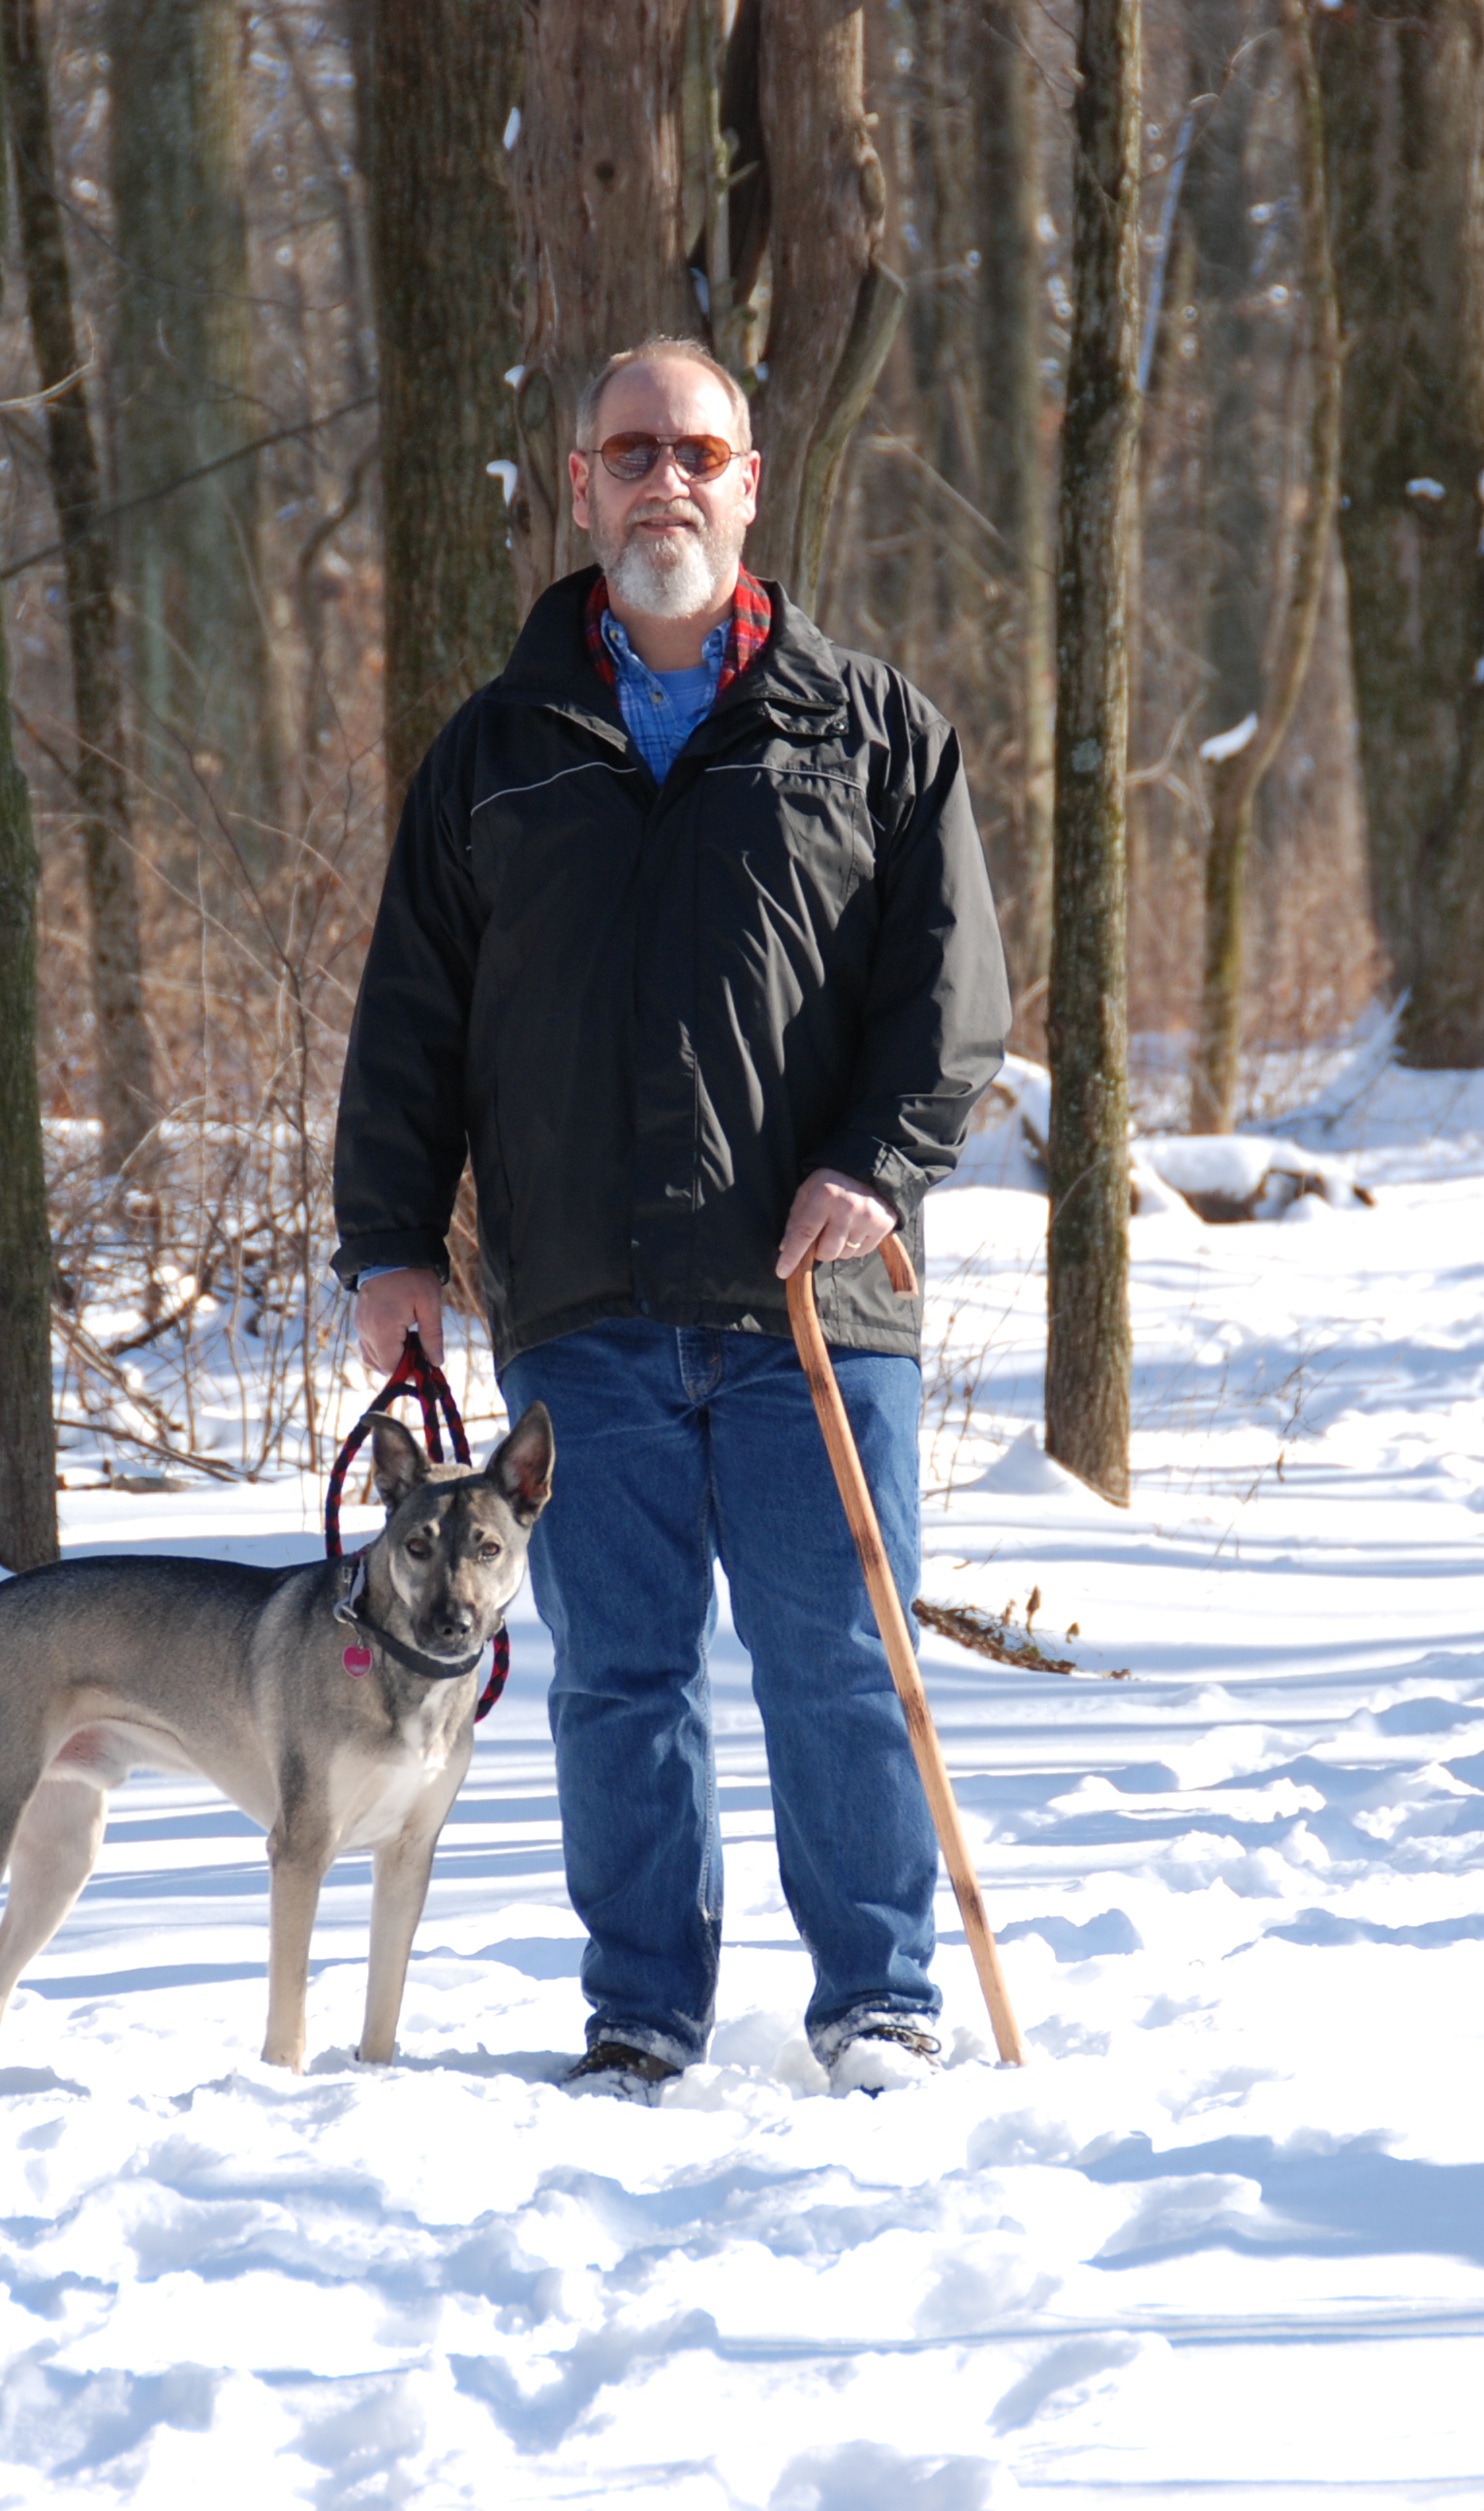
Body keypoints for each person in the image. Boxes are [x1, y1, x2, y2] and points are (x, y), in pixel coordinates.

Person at [330, 336, 1011, 2100]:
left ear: (752, 480)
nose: (665, 481)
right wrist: (389, 1245)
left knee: (840, 1671)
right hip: (586, 1308)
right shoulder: (494, 751)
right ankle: (641, 2015)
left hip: (811, 1308)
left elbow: (951, 1004)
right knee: (617, 1685)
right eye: (630, 451)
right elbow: (409, 1020)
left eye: (697, 451)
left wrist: (875, 1164)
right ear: (580, 485)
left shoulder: (875, 734)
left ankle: (876, 2001)